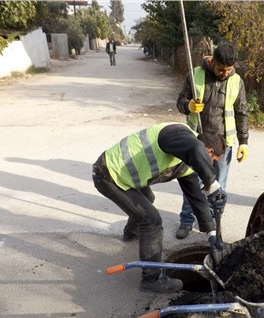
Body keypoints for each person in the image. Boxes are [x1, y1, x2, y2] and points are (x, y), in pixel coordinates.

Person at [92, 122, 227, 293]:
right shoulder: (178, 134)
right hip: (108, 174)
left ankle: (130, 232)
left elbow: (197, 198)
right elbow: (194, 147)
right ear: (208, 151)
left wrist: (211, 233)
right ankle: (152, 279)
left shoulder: (188, 161)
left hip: (127, 177)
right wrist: (213, 184)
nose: (212, 165)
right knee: (151, 221)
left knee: (148, 198)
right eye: (213, 160)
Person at [175, 44, 249, 239]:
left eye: (229, 69)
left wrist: (244, 141)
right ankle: (186, 220)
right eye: (221, 69)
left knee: (218, 185)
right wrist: (188, 106)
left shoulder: (236, 80)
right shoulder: (196, 74)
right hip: (196, 141)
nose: (225, 73)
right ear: (212, 62)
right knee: (192, 182)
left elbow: (241, 111)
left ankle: (211, 222)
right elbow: (180, 101)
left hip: (223, 144)